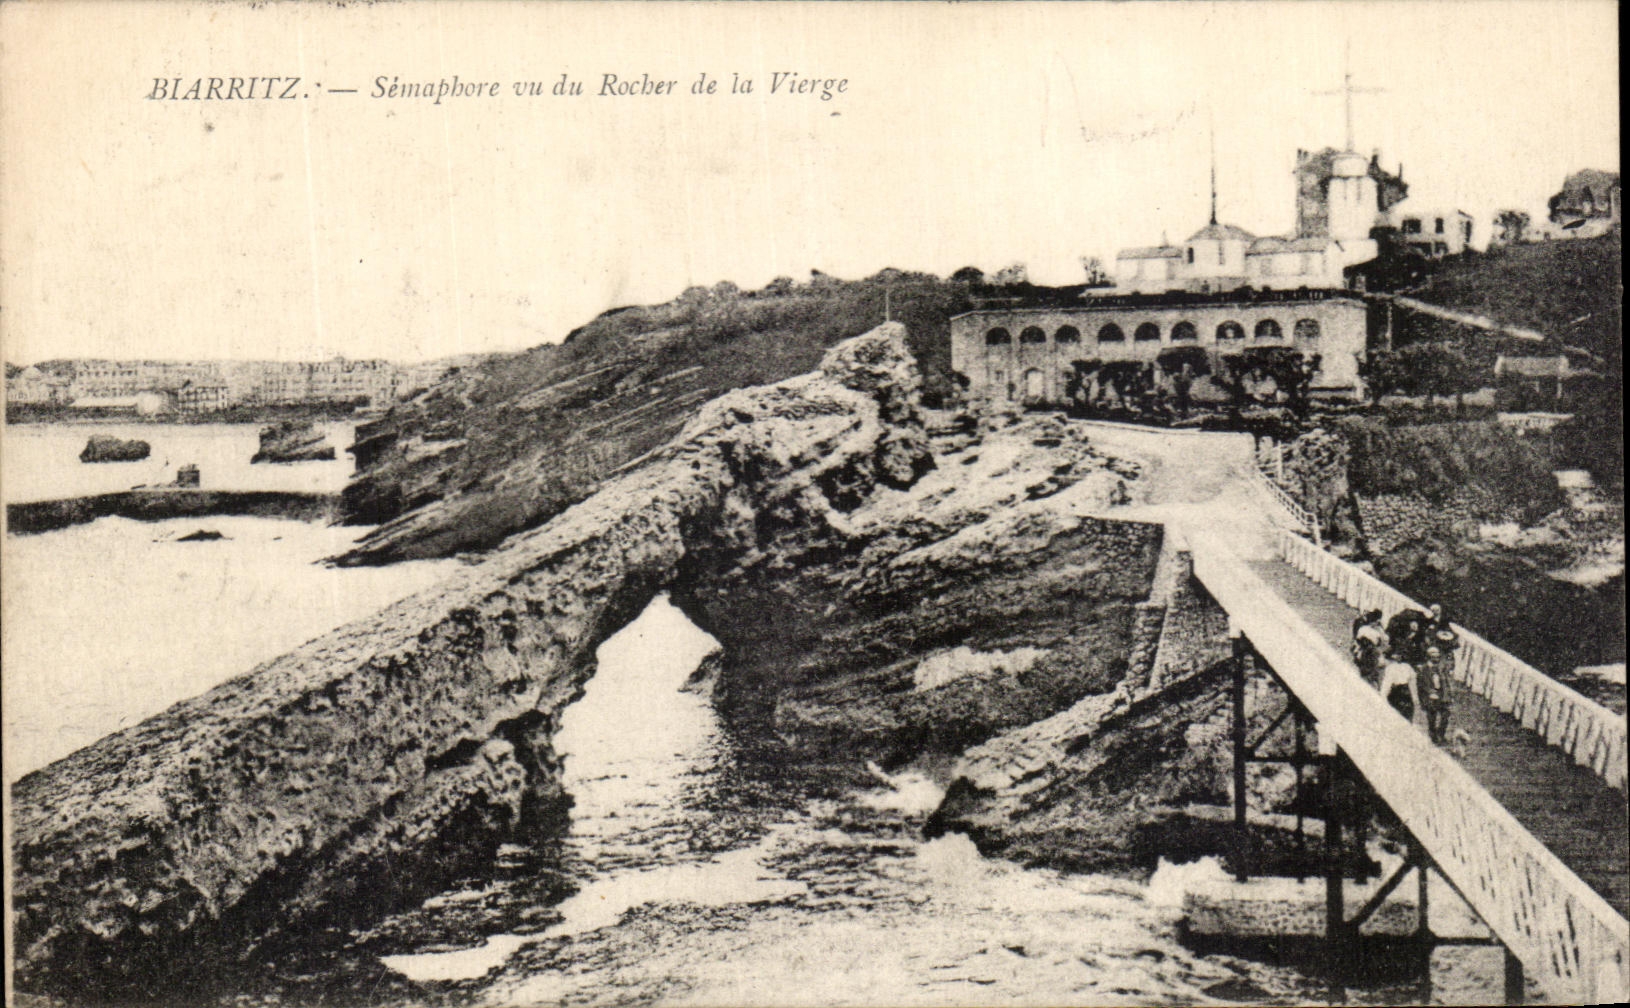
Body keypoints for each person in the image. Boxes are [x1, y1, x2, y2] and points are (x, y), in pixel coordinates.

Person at [1420, 644, 1452, 744]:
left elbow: (1445, 682)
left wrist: (1448, 695)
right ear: (1429, 656)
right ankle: (1433, 736)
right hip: (1430, 697)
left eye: (1438, 656)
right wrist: (1430, 692)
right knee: (1432, 717)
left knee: (1445, 714)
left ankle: (1441, 734)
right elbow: (1422, 684)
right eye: (1435, 656)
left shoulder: (1440, 668)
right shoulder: (1424, 668)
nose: (1437, 658)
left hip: (1441, 695)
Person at [1350, 609, 1387, 686]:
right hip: (1371, 652)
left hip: (1361, 650)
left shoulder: (1363, 628)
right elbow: (1380, 643)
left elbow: (1357, 639)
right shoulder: (1377, 632)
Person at [1379, 655, 1420, 724]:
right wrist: (1415, 697)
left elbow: (1387, 683)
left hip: (1400, 692)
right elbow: (1413, 683)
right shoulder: (1406, 667)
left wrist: (1383, 696)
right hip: (1402, 692)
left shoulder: (1393, 667)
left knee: (1398, 715)